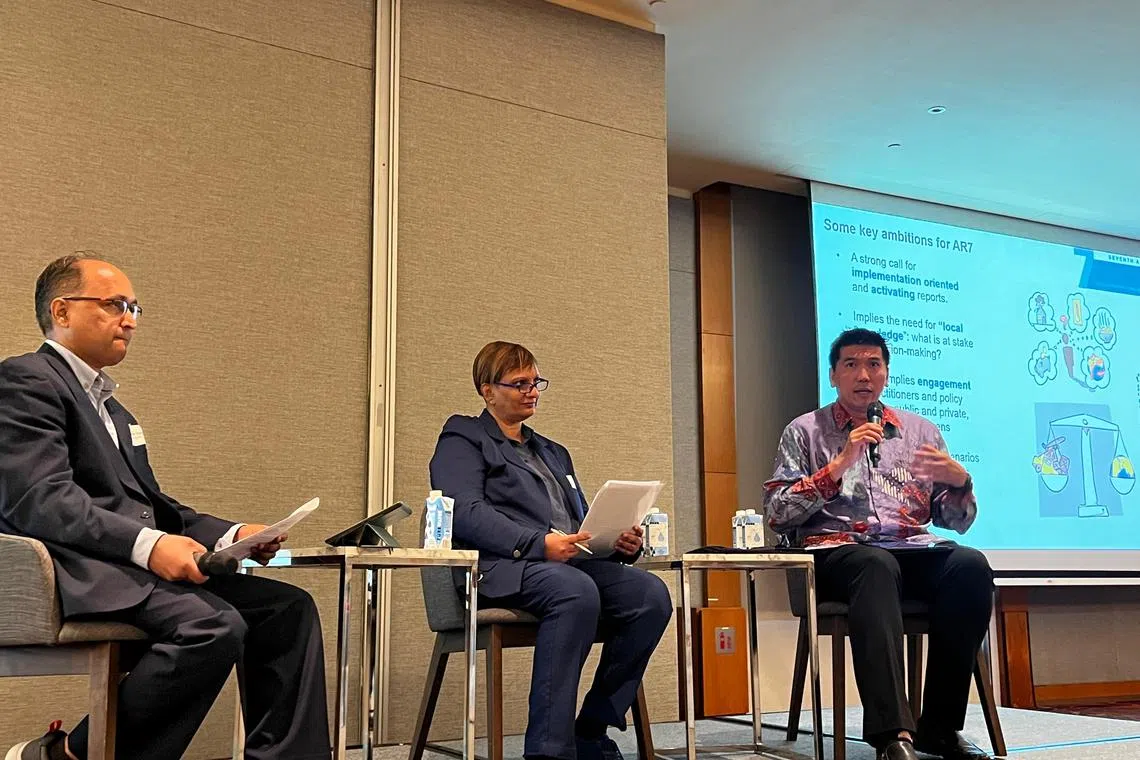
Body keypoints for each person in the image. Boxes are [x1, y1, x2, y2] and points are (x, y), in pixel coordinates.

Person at [0, 254, 330, 760]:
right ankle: (71, 754)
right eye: (114, 305)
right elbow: (42, 500)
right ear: (62, 312)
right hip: (74, 568)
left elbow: (154, 506)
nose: (129, 319)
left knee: (288, 610)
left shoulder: (114, 410)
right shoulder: (25, 381)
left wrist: (235, 534)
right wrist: (150, 547)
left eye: (134, 307)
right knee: (213, 624)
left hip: (125, 565)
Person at [429, 341, 672, 760]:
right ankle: (549, 749)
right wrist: (536, 543)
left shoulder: (553, 452)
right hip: (500, 567)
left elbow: (576, 527)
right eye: (519, 383)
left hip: (568, 565)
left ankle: (591, 727)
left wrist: (614, 544)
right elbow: (464, 512)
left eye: (536, 382)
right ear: (488, 391)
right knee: (574, 590)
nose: (532, 391)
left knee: (649, 595)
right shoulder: (463, 436)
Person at [763, 329, 994, 760]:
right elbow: (777, 512)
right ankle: (893, 735)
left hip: (910, 551)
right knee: (874, 565)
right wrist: (836, 466)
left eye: (873, 365)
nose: (863, 374)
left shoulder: (919, 431)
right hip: (837, 555)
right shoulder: (804, 431)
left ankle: (939, 729)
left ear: (886, 374)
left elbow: (953, 521)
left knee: (970, 567)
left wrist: (961, 482)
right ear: (833, 375)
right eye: (851, 364)